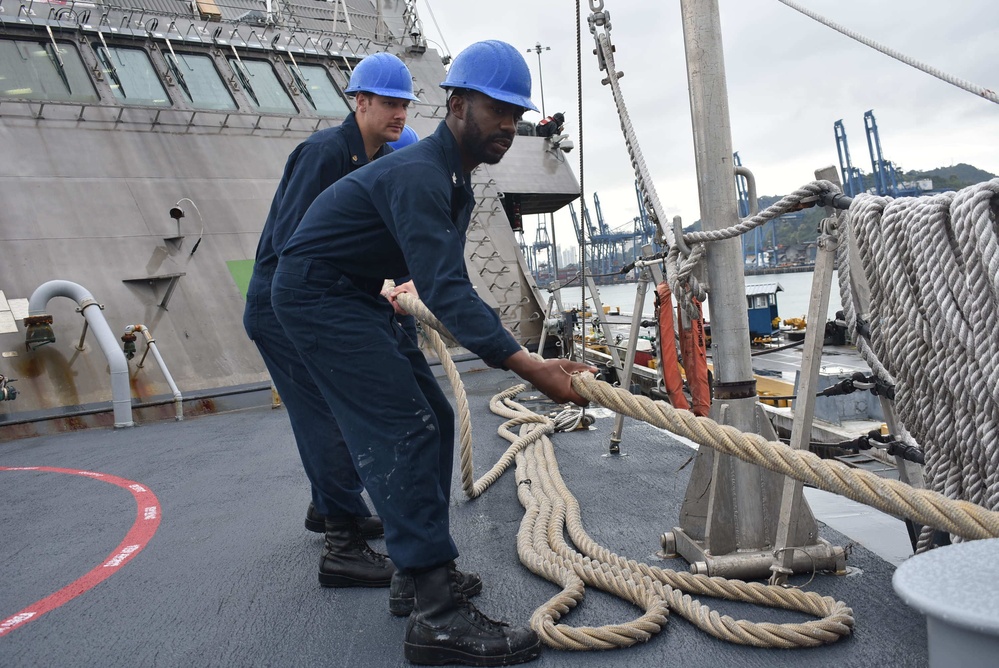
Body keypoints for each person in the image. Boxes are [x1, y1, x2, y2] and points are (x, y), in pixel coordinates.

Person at [272, 40, 595, 666]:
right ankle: (436, 616)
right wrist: (529, 365)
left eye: (516, 115)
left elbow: (438, 274)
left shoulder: (452, 178)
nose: (509, 125)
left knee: (436, 416)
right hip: (318, 298)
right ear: (456, 104)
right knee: (405, 426)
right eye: (497, 110)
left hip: (353, 293)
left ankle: (409, 574)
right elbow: (449, 290)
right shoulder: (422, 173)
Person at [242, 52, 419, 589]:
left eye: (405, 105)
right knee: (330, 417)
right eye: (388, 103)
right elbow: (293, 246)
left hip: (317, 299)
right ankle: (342, 545)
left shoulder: (365, 159)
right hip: (287, 305)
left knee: (329, 412)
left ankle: (328, 508)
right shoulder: (324, 152)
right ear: (359, 101)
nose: (399, 114)